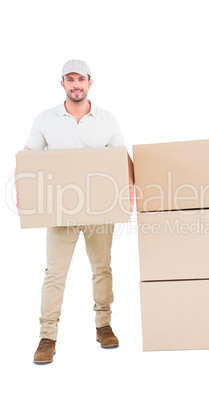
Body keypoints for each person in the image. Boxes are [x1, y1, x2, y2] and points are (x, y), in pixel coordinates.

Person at [21, 59, 134, 364]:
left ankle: (104, 325)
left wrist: (131, 189)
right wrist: (24, 190)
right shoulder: (46, 119)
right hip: (60, 211)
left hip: (100, 210)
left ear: (89, 82)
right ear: (62, 84)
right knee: (54, 273)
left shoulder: (107, 119)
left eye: (80, 79)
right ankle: (47, 337)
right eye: (69, 80)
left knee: (102, 268)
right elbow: (29, 157)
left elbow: (122, 155)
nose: (75, 85)